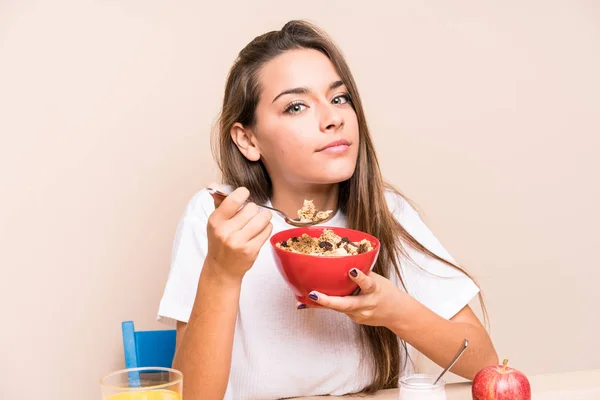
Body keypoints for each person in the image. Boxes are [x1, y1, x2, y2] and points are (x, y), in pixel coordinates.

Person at [157, 20, 498, 400]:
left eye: (339, 98)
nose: (333, 118)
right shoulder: (217, 218)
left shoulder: (387, 212)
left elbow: (486, 363)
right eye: (296, 106)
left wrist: (395, 311)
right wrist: (221, 273)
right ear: (248, 139)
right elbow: (191, 397)